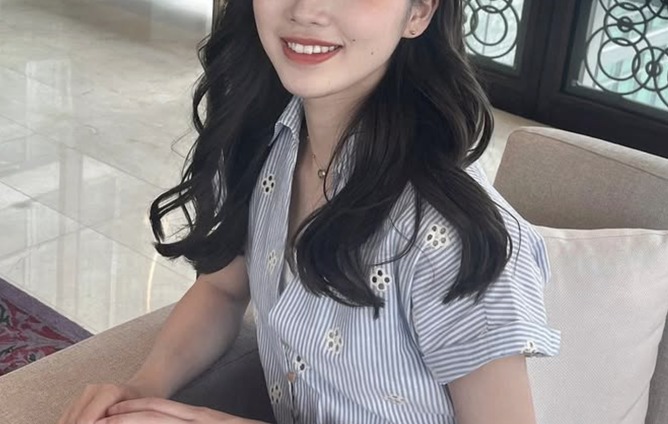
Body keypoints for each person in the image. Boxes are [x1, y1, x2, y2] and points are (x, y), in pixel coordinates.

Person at [58, 0, 561, 423]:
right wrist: (143, 389)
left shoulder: (453, 237)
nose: (306, 10)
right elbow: (222, 289)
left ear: (419, 12)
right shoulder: (262, 140)